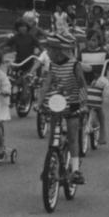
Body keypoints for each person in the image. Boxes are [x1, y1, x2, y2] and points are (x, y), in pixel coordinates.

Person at [38, 33, 89, 185]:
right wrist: (39, 102)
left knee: (73, 136)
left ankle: (75, 170)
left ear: (59, 51)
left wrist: (83, 104)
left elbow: (82, 85)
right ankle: (49, 166)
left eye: (50, 50)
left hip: (72, 104)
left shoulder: (74, 65)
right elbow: (46, 84)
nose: (47, 53)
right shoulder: (53, 65)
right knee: (53, 136)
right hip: (57, 104)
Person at [0, 18, 43, 84]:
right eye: (20, 26)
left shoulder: (31, 37)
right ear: (17, 28)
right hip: (19, 62)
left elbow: (40, 47)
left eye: (24, 26)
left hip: (29, 62)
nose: (23, 28)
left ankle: (38, 79)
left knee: (30, 77)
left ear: (27, 27)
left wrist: (43, 55)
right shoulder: (15, 38)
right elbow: (5, 45)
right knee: (11, 79)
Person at [82, 53, 109, 146]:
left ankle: (102, 132)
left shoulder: (102, 52)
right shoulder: (84, 52)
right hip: (85, 85)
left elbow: (107, 91)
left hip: (94, 97)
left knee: (99, 109)